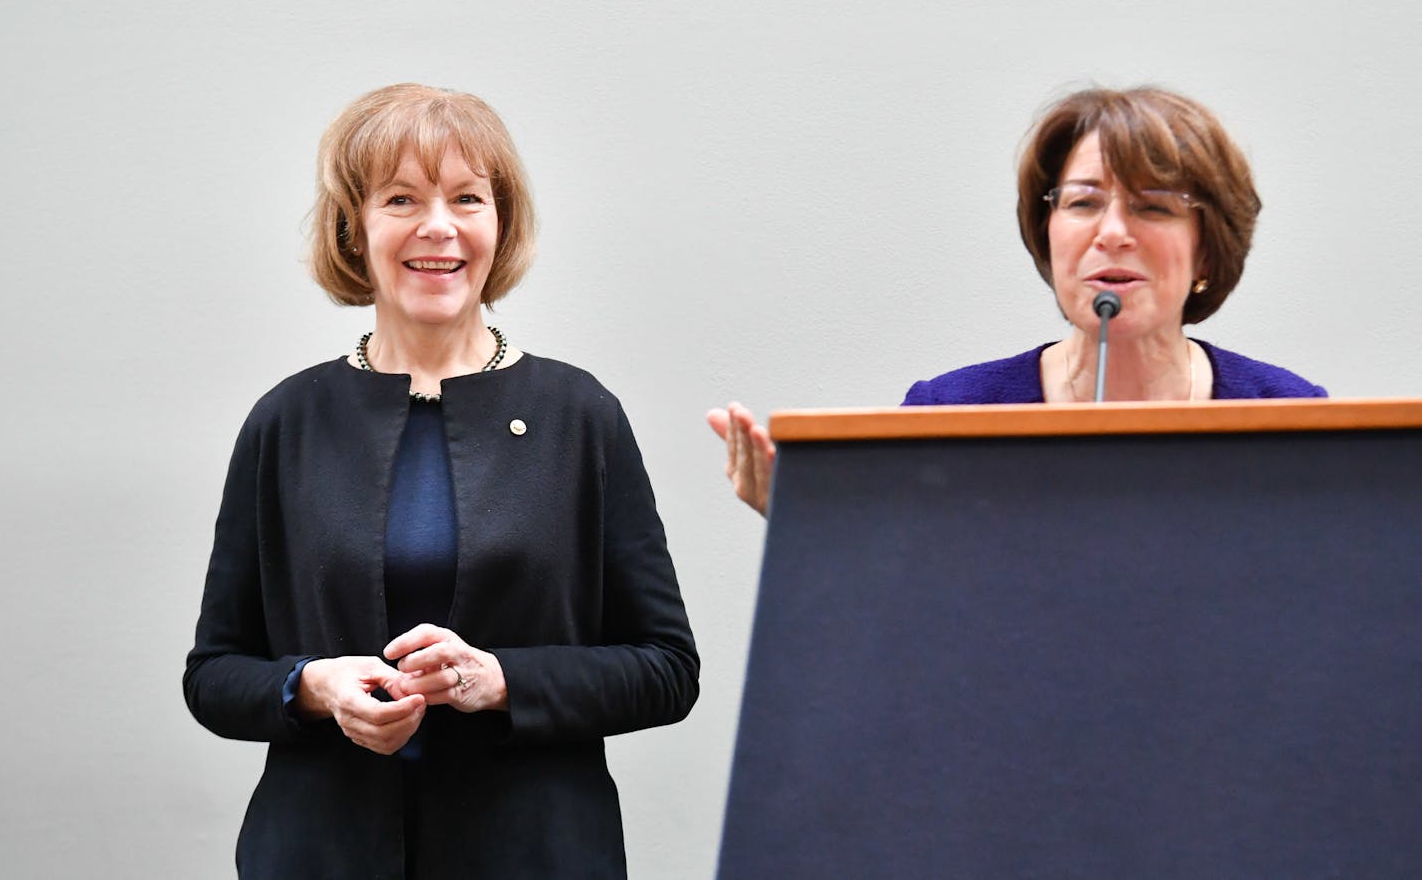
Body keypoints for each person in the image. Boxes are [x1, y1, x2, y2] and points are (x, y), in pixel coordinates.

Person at [184, 83, 699, 878]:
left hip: (536, 852)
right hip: (321, 852)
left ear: (501, 223)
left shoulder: (579, 414)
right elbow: (214, 674)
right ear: (354, 228)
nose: (439, 226)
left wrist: (500, 680)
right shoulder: (285, 421)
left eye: (467, 197)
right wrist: (311, 686)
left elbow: (667, 668)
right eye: (401, 198)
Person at [709, 86, 1326, 514]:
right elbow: (903, 609)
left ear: (1209, 252)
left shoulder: (1289, 416)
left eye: (1153, 207)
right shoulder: (950, 414)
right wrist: (810, 524)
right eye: (1082, 203)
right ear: (1048, 233)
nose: (1111, 232)